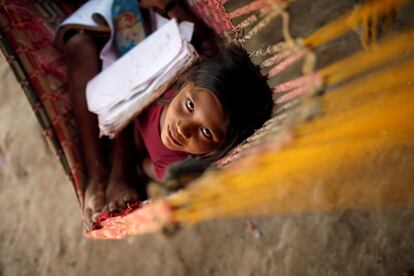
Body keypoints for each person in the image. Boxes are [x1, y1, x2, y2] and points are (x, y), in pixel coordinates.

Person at [60, 0, 273, 230]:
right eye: (189, 105)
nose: (183, 128)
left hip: (115, 104)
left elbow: (147, 163)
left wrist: (132, 173)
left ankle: (101, 170)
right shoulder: (182, 66)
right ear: (185, 83)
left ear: (219, 148)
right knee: (82, 43)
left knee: (80, 47)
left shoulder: (173, 162)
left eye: (205, 132)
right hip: (129, 51)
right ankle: (97, 173)